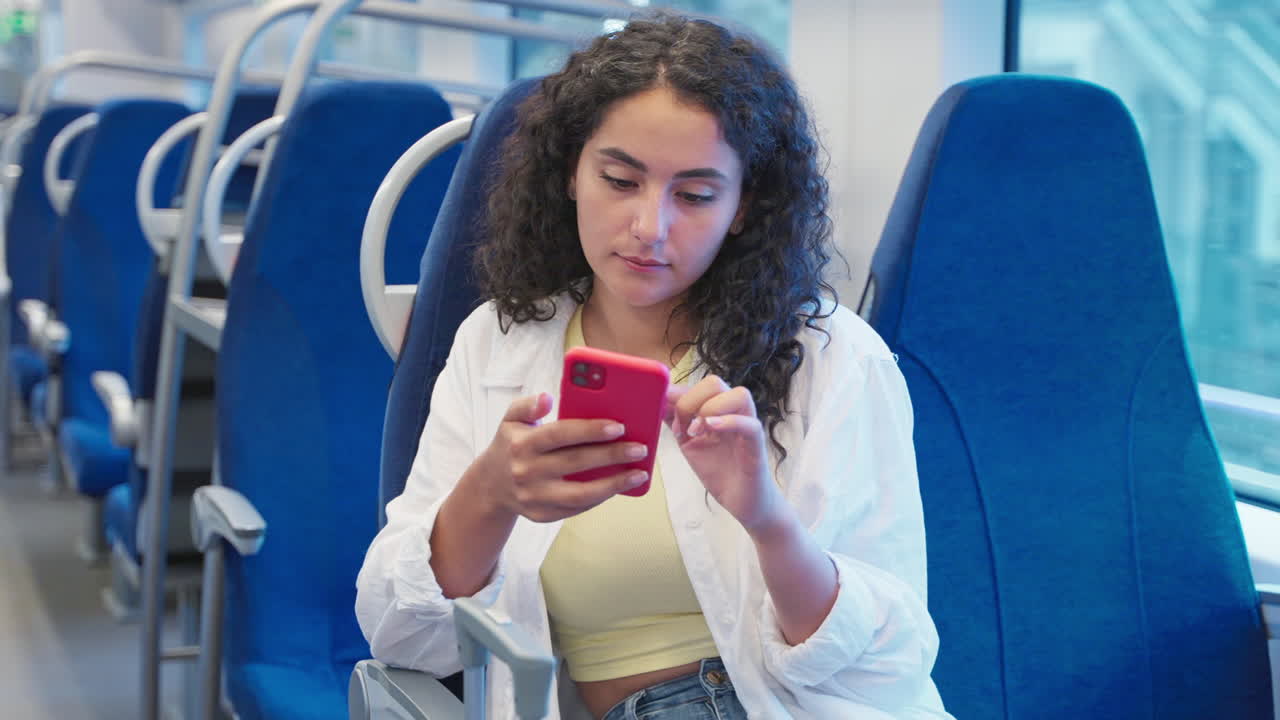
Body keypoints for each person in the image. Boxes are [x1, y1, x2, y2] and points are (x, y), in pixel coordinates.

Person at [356, 12, 953, 720]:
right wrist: (491, 493)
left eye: (695, 196)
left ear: (742, 208)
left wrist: (767, 521)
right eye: (620, 180)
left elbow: (889, 662)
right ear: (571, 172)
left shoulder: (831, 355)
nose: (649, 228)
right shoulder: (497, 344)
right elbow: (402, 636)